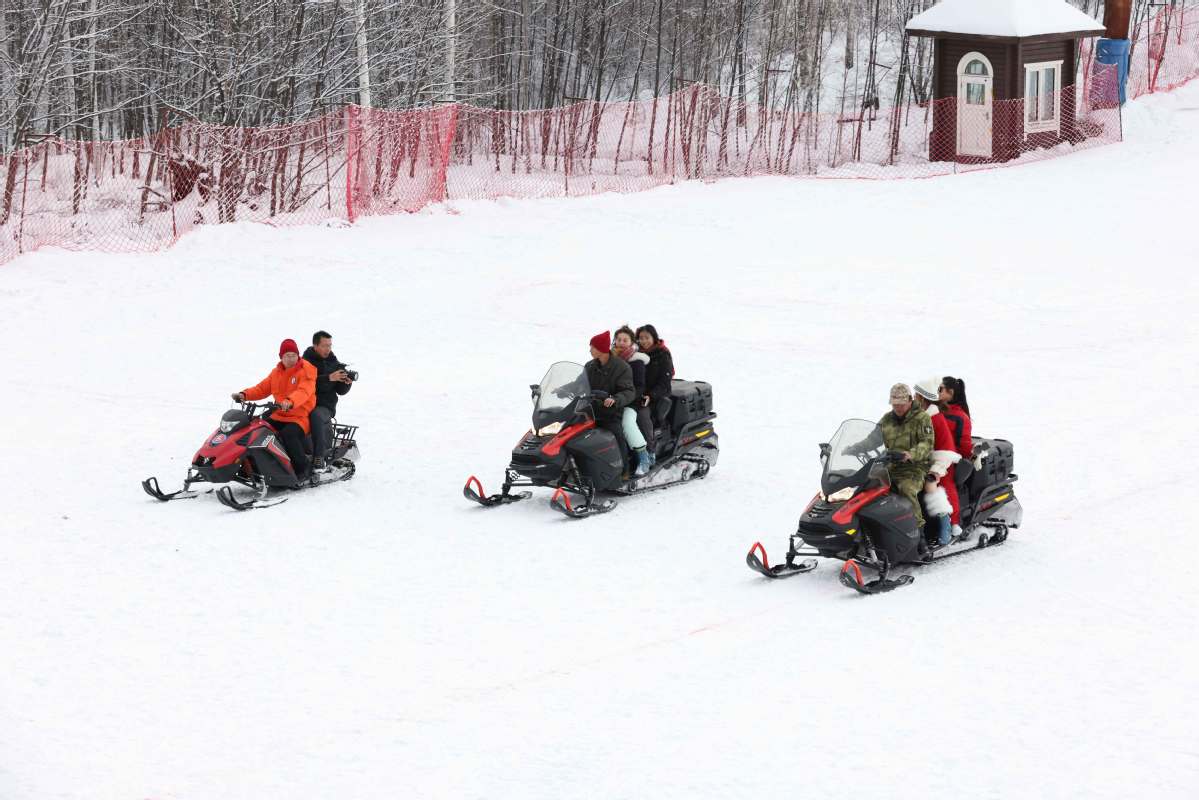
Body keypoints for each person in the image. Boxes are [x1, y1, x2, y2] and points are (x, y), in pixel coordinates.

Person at [232, 338, 318, 480]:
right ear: (281, 357)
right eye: (287, 356)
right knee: (256, 429)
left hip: (300, 416)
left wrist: (290, 401)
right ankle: (252, 465)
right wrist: (244, 395)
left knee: (288, 434)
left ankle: (303, 469)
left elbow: (304, 391)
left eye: (293, 355)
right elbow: (261, 388)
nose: (291, 359)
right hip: (279, 414)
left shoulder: (306, 371)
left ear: (298, 355)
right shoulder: (276, 373)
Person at [877, 383, 935, 530]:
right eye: (895, 404)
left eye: (901, 404)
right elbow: (872, 438)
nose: (898, 408)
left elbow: (927, 443)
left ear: (910, 400)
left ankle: (918, 532)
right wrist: (853, 448)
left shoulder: (922, 418)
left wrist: (910, 454)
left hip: (915, 467)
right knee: (869, 488)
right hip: (891, 465)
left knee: (906, 489)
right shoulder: (887, 419)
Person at [914, 377, 962, 545]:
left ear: (921, 397)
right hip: (920, 461)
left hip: (940, 461)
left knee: (930, 485)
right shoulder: (918, 415)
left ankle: (946, 525)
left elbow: (945, 448)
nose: (913, 398)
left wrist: (935, 470)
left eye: (915, 395)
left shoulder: (935, 418)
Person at [583, 330, 636, 475]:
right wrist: (559, 389)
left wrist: (615, 399)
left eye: (592, 347)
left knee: (616, 434)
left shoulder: (621, 367)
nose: (590, 350)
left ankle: (623, 471)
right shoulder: (590, 366)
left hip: (610, 412)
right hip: (590, 410)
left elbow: (629, 391)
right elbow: (579, 384)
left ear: (600, 349)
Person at [302, 330, 354, 471]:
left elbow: (340, 391)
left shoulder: (333, 362)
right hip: (304, 402)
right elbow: (305, 383)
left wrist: (346, 382)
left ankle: (319, 457)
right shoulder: (304, 362)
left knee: (316, 416)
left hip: (324, 405)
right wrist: (329, 378)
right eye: (325, 346)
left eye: (330, 345)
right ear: (315, 345)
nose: (328, 349)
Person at [613, 326, 652, 476]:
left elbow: (640, 386)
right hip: (611, 401)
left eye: (625, 340)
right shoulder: (610, 358)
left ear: (631, 342)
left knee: (627, 423)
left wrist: (624, 399)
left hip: (630, 402)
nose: (621, 342)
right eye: (619, 339)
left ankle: (644, 458)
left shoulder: (636, 361)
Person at [939, 375, 973, 538]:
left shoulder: (960, 417)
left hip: (950, 458)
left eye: (940, 389)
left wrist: (964, 460)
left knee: (946, 482)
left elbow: (965, 444)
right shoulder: (935, 409)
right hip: (929, 454)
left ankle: (954, 522)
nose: (937, 392)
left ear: (950, 392)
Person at [636, 324, 674, 432]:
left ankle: (649, 445)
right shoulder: (637, 354)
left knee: (642, 416)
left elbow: (665, 381)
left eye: (647, 338)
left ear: (654, 337)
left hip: (658, 395)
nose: (644, 341)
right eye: (641, 338)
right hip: (640, 394)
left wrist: (651, 396)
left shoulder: (663, 354)